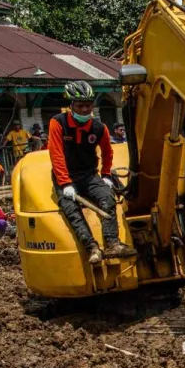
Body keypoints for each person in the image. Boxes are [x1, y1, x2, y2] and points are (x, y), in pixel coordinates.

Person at [48, 80, 130, 264]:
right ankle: (92, 247)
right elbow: (56, 154)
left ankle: (112, 243)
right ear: (71, 105)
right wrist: (65, 183)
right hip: (66, 176)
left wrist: (107, 175)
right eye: (80, 106)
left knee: (107, 198)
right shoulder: (57, 123)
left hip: (89, 175)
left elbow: (108, 152)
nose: (85, 109)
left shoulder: (99, 128)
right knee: (71, 210)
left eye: (88, 105)